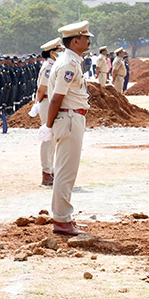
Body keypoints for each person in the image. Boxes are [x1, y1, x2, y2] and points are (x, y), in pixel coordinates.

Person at [43, 21, 93, 237]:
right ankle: (62, 220)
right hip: (70, 117)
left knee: (66, 169)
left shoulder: (70, 60)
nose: (89, 40)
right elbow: (56, 98)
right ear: (75, 41)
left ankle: (63, 217)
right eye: (86, 37)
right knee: (66, 171)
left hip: (72, 117)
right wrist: (48, 125)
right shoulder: (69, 64)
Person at [33, 38, 63, 187]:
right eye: (59, 50)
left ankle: (51, 170)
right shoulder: (49, 67)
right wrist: (37, 104)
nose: (61, 53)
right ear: (52, 53)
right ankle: (46, 173)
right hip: (46, 102)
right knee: (48, 137)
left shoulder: (54, 65)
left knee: (53, 137)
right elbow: (42, 88)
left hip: (50, 102)